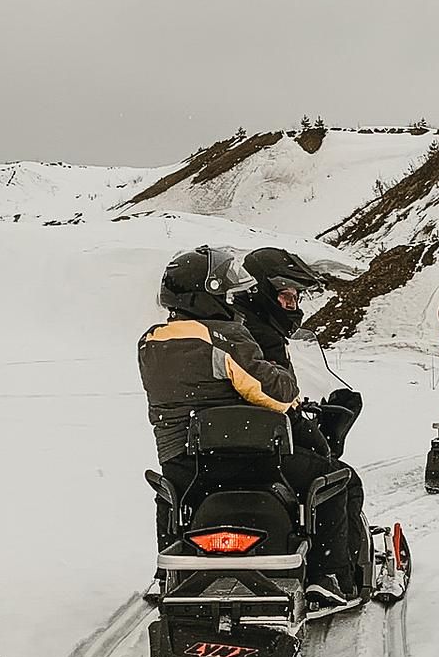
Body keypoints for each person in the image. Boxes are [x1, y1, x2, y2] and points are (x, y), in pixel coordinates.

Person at [139, 246, 369, 604]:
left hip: (183, 466)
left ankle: (164, 575)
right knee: (333, 481)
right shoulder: (222, 337)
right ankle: (329, 576)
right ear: (206, 293)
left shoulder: (150, 343)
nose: (232, 296)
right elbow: (277, 393)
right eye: (225, 289)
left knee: (168, 493)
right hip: (242, 460)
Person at [234, 247, 364, 458]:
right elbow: (274, 396)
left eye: (295, 298)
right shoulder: (260, 336)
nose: (292, 307)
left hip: (240, 439)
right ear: (263, 291)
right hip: (261, 445)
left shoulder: (238, 325)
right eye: (287, 296)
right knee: (341, 480)